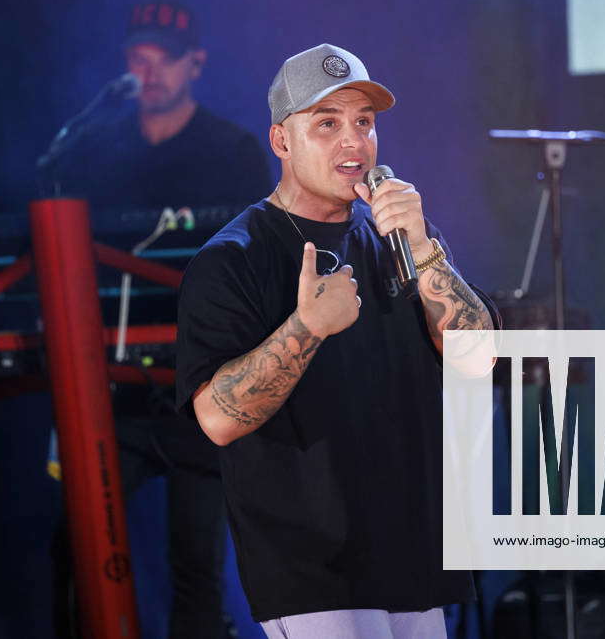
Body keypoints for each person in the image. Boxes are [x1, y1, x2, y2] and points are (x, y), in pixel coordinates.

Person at [172, 43, 499, 639]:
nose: (354, 142)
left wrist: (424, 248)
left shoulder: (404, 242)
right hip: (312, 571)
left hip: (412, 555)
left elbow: (480, 361)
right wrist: (307, 327)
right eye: (327, 124)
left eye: (364, 123)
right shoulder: (233, 259)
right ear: (281, 141)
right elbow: (217, 418)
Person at [48, 0, 271, 639]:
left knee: (195, 569)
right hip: (111, 387)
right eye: (137, 59)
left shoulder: (231, 151)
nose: (148, 73)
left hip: (198, 386)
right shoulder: (91, 153)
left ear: (194, 64)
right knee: (76, 545)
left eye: (163, 60)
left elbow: (256, 269)